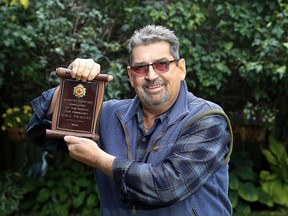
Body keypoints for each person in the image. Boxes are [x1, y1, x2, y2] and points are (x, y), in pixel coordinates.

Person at [26, 25, 233, 216]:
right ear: (131, 76)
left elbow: (167, 186)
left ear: (181, 69)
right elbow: (38, 132)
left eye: (162, 65)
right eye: (141, 68)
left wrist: (101, 159)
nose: (151, 75)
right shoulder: (107, 114)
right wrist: (71, 84)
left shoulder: (207, 118)